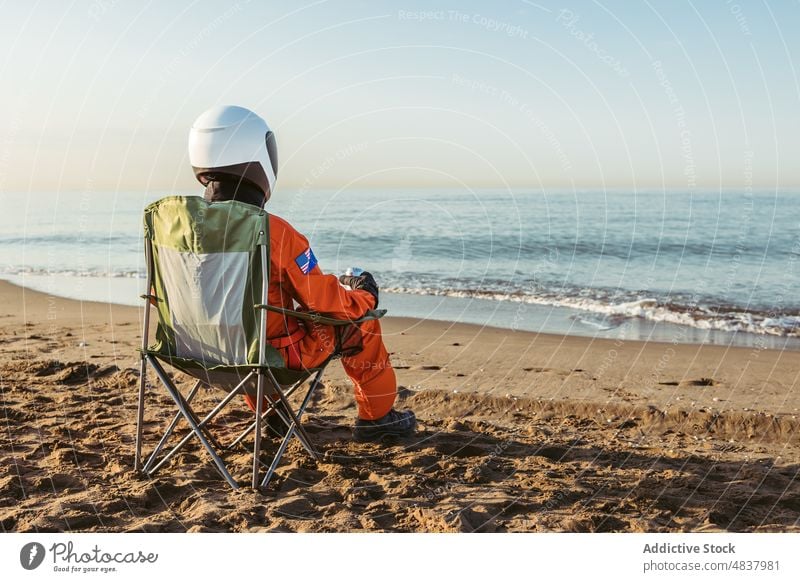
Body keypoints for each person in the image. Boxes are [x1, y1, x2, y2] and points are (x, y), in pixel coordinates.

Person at [187, 105, 416, 441]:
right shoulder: (273, 231)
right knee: (361, 322)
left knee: (254, 325)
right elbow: (324, 302)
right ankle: (377, 420)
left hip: (196, 353)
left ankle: (272, 415)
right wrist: (364, 293)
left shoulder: (178, 228)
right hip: (269, 359)